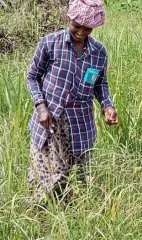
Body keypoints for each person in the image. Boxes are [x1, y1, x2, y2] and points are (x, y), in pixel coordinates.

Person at [25, 0, 118, 205]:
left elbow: (100, 85)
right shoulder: (50, 43)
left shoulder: (99, 52)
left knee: (76, 179)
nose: (81, 32)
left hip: (80, 126)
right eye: (77, 26)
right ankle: (38, 217)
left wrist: (107, 106)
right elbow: (31, 77)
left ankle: (71, 217)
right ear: (68, 18)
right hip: (49, 123)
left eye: (88, 28)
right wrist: (41, 107)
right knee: (44, 178)